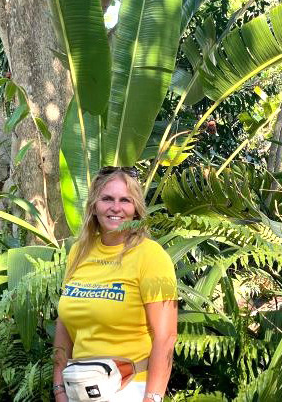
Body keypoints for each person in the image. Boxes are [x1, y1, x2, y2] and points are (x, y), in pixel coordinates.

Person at [53, 167, 178, 402]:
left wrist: (152, 398)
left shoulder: (151, 256)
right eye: (107, 199)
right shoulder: (79, 253)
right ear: (94, 205)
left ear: (136, 209)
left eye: (125, 200)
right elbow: (64, 325)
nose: (116, 208)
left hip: (129, 390)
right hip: (77, 390)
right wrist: (59, 388)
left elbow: (166, 336)